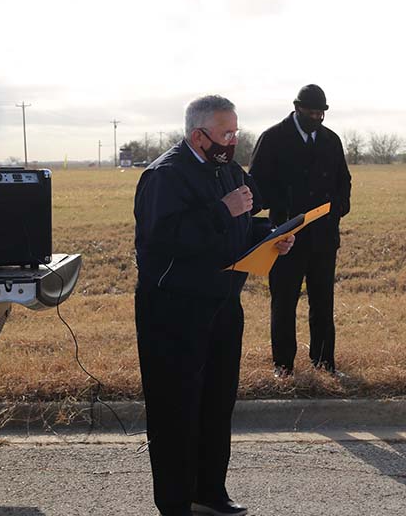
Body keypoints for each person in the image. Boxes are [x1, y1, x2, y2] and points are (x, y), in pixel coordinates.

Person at [133, 95, 294, 516]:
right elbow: (164, 239)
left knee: (216, 402)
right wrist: (223, 210)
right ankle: (175, 502)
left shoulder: (230, 171)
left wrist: (271, 234)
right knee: (176, 407)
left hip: (222, 303)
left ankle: (210, 490)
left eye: (235, 131)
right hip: (173, 311)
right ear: (197, 136)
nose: (233, 140)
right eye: (225, 133)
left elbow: (239, 224)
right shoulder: (164, 176)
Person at [248, 84, 352, 377]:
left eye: (322, 112)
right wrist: (273, 213)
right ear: (298, 108)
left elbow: (344, 180)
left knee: (323, 303)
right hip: (285, 238)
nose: (317, 117)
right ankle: (283, 366)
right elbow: (256, 185)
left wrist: (339, 207)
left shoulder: (331, 140)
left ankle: (324, 363)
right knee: (284, 303)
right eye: (312, 112)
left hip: (324, 237)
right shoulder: (273, 138)